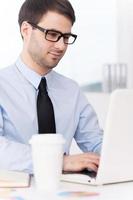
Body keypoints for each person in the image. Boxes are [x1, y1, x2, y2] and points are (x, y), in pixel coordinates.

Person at [0, 0, 103, 174]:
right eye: (52, 34)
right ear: (26, 30)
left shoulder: (71, 90)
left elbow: (95, 142)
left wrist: (115, 157)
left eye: (66, 37)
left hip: (66, 190)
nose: (61, 46)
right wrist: (57, 162)